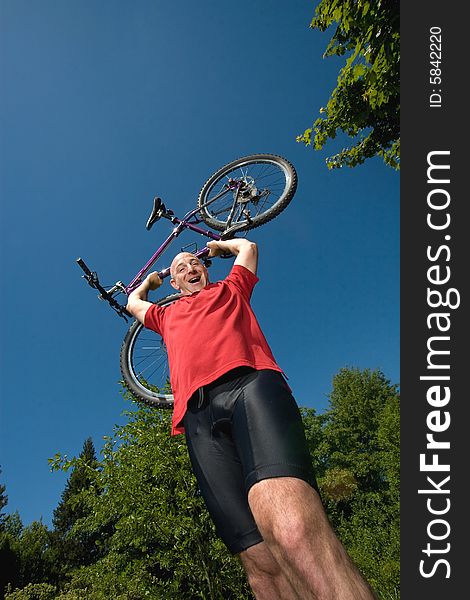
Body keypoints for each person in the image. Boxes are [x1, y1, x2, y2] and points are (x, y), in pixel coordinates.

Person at [126, 238, 376, 600]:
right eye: (181, 269)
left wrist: (218, 246)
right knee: (259, 563)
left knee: (292, 530)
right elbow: (134, 302)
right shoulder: (164, 316)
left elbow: (249, 248)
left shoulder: (232, 289)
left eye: (194, 265)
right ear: (175, 285)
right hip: (197, 419)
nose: (189, 269)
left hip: (250, 385)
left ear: (205, 272)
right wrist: (150, 284)